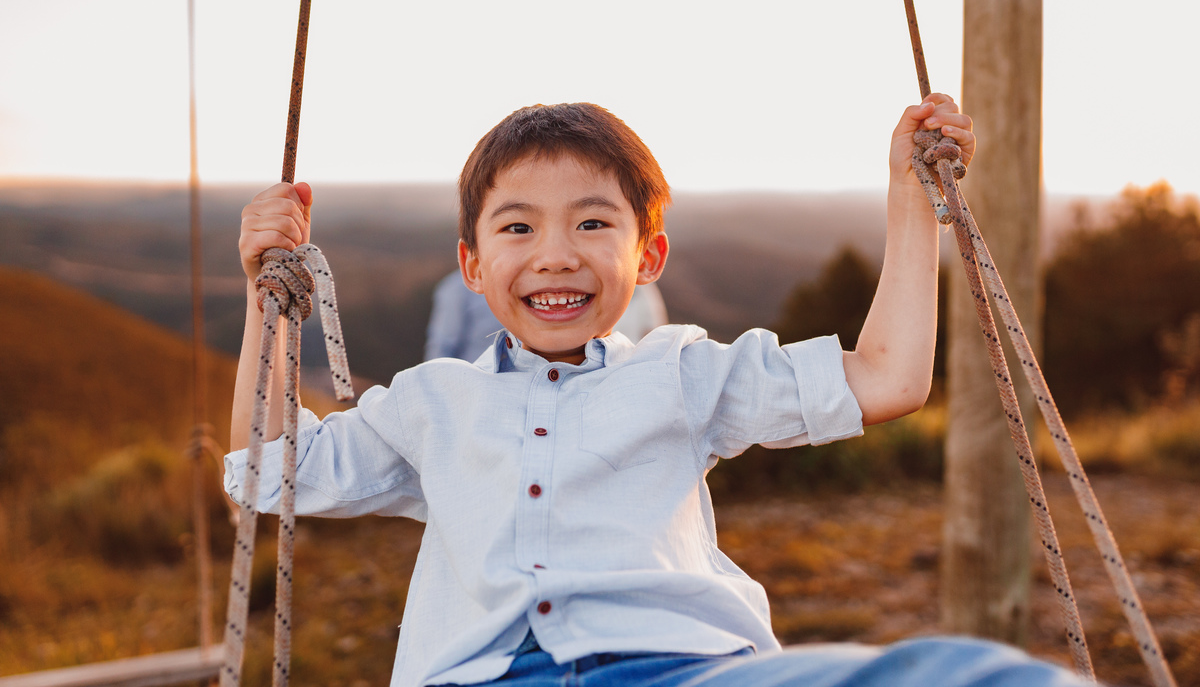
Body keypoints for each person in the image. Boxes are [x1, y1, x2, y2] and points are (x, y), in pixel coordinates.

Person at [227, 101, 1093, 687]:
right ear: (473, 266)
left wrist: (911, 193)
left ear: (648, 259)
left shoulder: (683, 371)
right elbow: (271, 469)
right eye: (518, 226)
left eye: (594, 223)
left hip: (682, 668)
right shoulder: (429, 404)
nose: (557, 253)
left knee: (974, 676)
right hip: (480, 674)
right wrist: (264, 298)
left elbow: (887, 376)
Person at [425, 270, 668, 362]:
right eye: (518, 229)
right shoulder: (455, 289)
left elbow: (652, 332)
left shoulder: (639, 289)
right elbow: (443, 346)